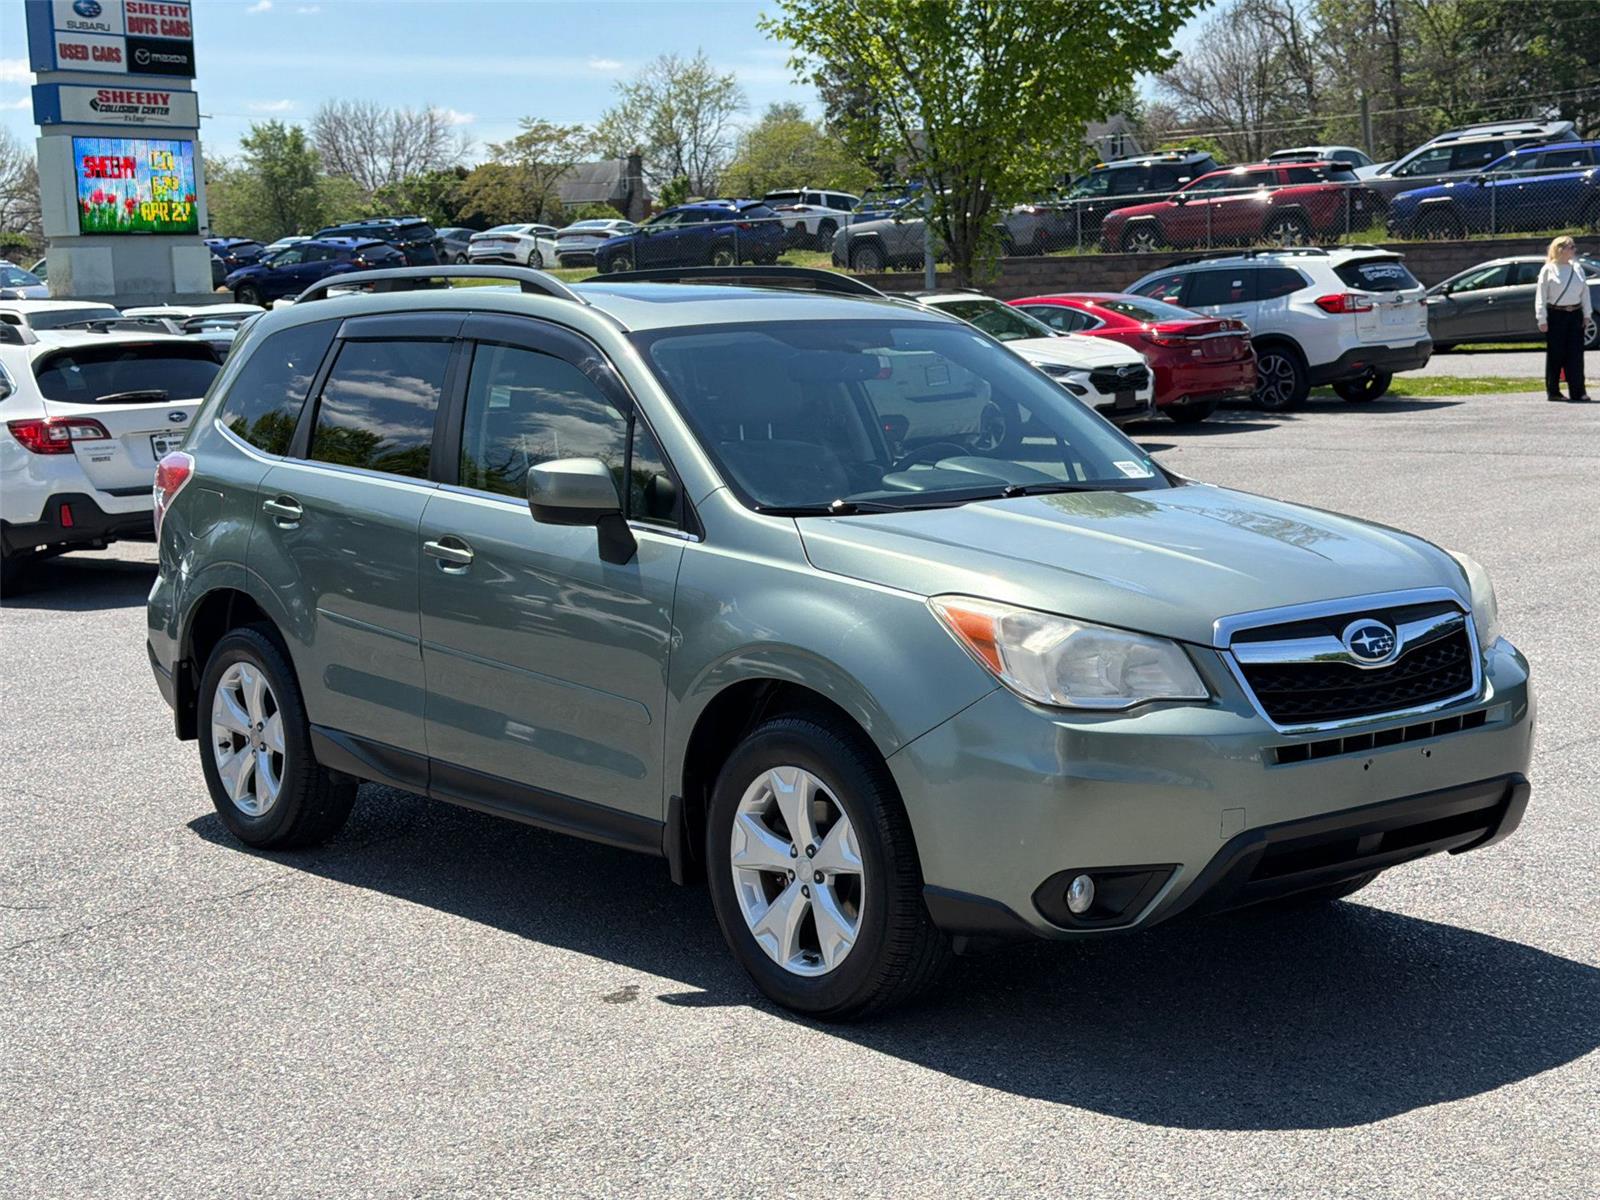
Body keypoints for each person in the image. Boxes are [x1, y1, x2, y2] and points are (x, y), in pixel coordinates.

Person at [1535, 235, 1592, 402]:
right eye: (1571, 247)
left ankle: (1578, 391)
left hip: (1575, 313)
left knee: (1576, 354)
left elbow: (1585, 292)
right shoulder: (1548, 269)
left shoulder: (1577, 268)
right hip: (1556, 314)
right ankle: (1553, 391)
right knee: (1556, 354)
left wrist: (1587, 314)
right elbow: (1541, 295)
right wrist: (1541, 318)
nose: (1574, 250)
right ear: (1560, 250)